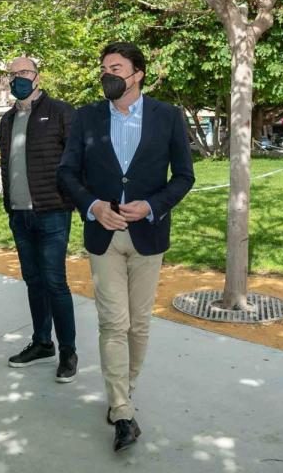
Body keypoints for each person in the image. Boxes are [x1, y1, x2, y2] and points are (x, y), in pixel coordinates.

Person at [58, 42, 195, 453]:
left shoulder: (167, 116)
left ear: (137, 74)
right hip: (104, 236)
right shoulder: (86, 117)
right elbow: (67, 172)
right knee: (113, 323)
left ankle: (126, 390)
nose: (107, 75)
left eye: (115, 68)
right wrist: (94, 206)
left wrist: (152, 205)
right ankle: (121, 410)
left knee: (139, 324)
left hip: (147, 235)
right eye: (103, 68)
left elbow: (184, 176)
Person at [0, 57, 79, 383]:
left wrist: (71, 200)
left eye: (24, 73)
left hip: (52, 212)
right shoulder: (6, 120)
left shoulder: (60, 112)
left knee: (55, 283)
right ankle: (42, 342)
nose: (18, 78)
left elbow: (76, 160)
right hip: (19, 214)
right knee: (33, 282)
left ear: (37, 77)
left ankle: (68, 351)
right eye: (13, 74)